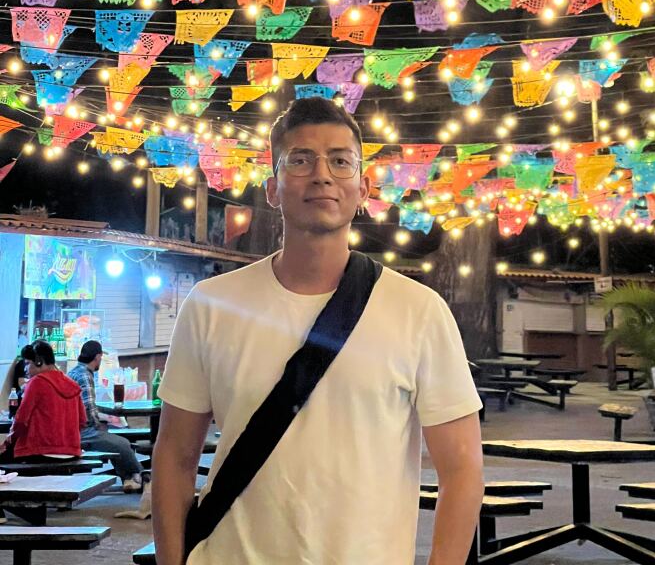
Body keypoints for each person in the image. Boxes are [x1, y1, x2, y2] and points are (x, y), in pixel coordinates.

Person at [153, 97, 484, 565]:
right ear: (273, 188)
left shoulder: (419, 311)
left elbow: (463, 469)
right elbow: (174, 457)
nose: (322, 175)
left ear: (363, 188)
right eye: (301, 160)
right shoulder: (211, 305)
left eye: (340, 161)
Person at [68, 340, 143, 492]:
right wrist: (99, 424)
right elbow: (88, 410)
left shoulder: (73, 372)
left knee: (115, 438)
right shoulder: (84, 375)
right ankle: (140, 477)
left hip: (73, 427)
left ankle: (128, 478)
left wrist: (104, 419)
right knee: (121, 443)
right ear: (97, 357)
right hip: (82, 431)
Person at [0, 341, 85, 462]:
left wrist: (10, 438)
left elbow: (21, 420)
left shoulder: (36, 382)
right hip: (71, 453)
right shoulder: (73, 385)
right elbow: (82, 421)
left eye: (27, 363)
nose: (25, 368)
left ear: (39, 362)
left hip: (39, 451)